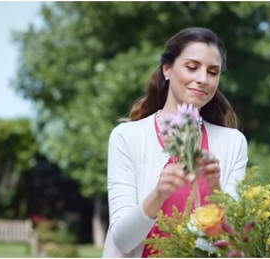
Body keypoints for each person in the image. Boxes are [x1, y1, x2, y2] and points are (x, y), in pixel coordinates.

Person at [102, 27, 248, 258]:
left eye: (213, 72)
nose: (202, 79)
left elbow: (233, 239)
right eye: (192, 67)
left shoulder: (233, 142)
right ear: (167, 69)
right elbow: (121, 239)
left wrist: (214, 189)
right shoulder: (126, 137)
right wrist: (158, 195)